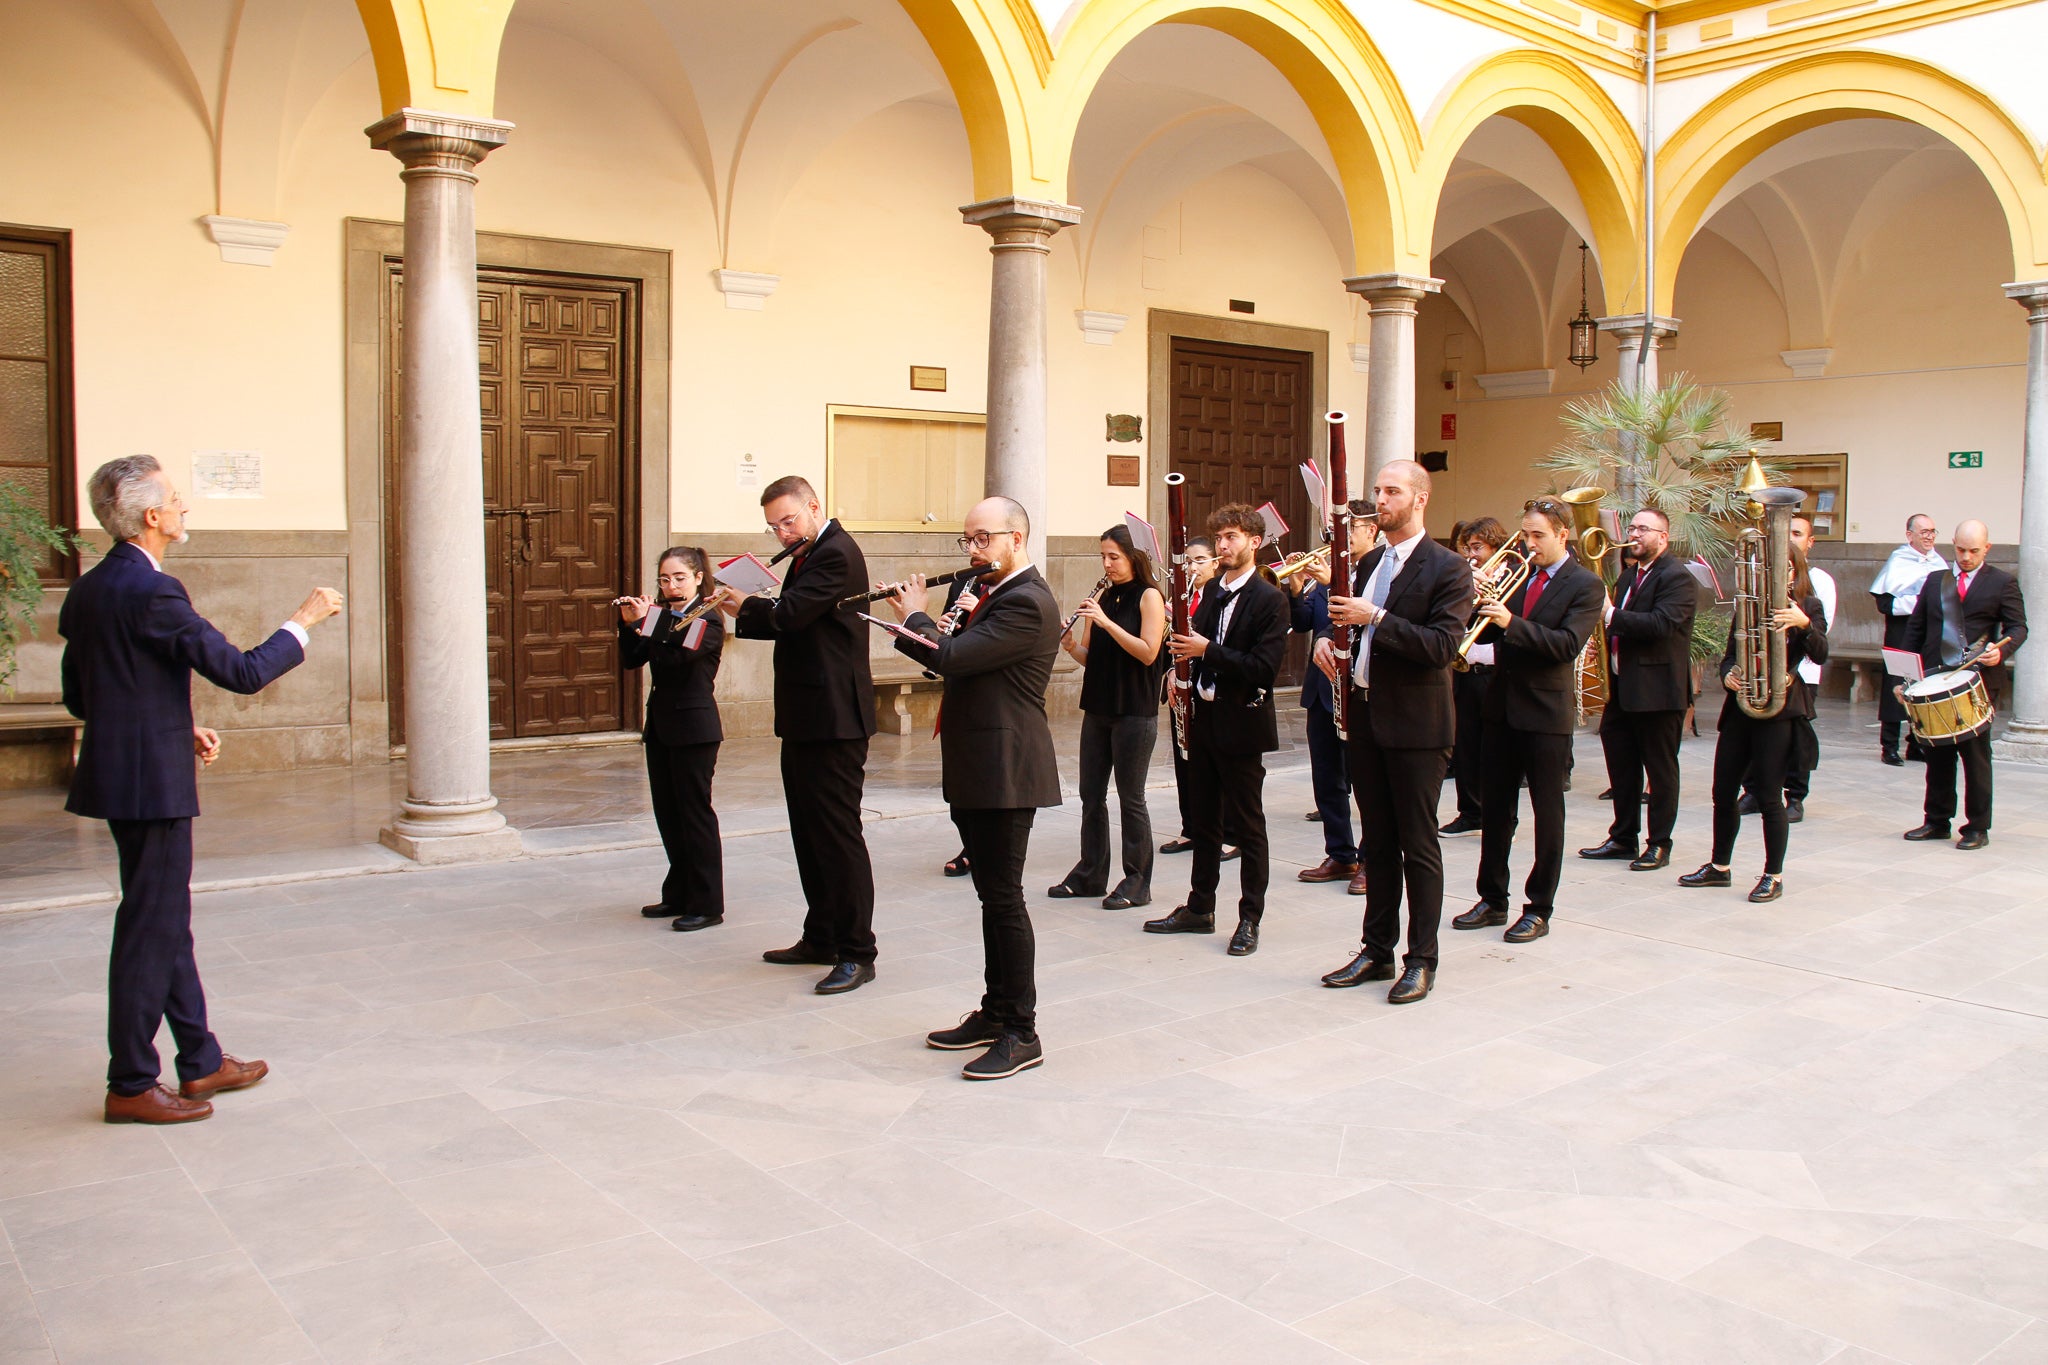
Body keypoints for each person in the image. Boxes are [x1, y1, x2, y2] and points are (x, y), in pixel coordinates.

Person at [59, 455, 342, 1124]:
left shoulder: (90, 588)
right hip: (150, 788)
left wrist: (176, 726)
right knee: (147, 929)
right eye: (177, 500)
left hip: (124, 774)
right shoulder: (155, 591)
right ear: (151, 517)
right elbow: (242, 672)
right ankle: (130, 1081)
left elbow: (84, 695)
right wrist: (304, 618)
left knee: (164, 919)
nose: (186, 508)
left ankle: (200, 1058)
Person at [884, 497, 1061, 1080]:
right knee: (991, 896)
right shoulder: (993, 595)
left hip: (1007, 767)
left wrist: (917, 616)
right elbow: (948, 661)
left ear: (1017, 538)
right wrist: (913, 626)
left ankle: (1022, 1032)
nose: (973, 550)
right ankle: (994, 1011)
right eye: (968, 540)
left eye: (983, 538)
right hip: (979, 762)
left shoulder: (1029, 602)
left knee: (1005, 897)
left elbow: (954, 656)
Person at [715, 475, 879, 994]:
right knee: (809, 832)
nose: (783, 533)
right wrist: (743, 609)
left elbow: (791, 614)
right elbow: (796, 621)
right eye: (774, 526)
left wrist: (745, 605)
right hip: (809, 714)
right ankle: (822, 935)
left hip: (835, 719)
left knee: (837, 835)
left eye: (789, 520)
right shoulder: (811, 550)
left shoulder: (836, 552)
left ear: (814, 506)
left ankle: (858, 951)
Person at [1318, 460, 1472, 1003]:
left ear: (1420, 498)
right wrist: (1333, 647)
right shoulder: (1372, 560)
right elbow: (1357, 630)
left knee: (1417, 843)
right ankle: (1376, 949)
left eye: (1392, 492)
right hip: (1367, 718)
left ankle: (1421, 958)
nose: (1379, 500)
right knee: (1376, 843)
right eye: (1377, 491)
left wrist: (1376, 618)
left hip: (1418, 727)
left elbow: (1440, 649)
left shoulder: (1448, 567)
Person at [1453, 498, 1604, 942]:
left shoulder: (1586, 585)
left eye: (1538, 535)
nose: (1529, 544)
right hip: (1501, 707)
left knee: (1547, 814)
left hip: (1545, 713)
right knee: (1496, 810)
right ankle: (1491, 898)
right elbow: (1495, 632)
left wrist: (1510, 621)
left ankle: (1539, 907)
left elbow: (1564, 645)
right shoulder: (1517, 577)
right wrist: (1479, 599)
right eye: (1525, 535)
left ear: (1563, 535)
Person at [1146, 505, 1290, 955]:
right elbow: (1190, 647)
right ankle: (1200, 906)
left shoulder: (1270, 598)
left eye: (1232, 537)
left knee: (1247, 827)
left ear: (1254, 541)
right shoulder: (1208, 592)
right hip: (1203, 720)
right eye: (1219, 538)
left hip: (1242, 723)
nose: (1224, 546)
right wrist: (1176, 670)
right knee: (1203, 821)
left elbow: (1263, 669)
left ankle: (1250, 917)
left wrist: (1209, 650)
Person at [1679, 543, 1829, 901]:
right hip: (1741, 709)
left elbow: (1821, 653)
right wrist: (1730, 674)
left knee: (1769, 797)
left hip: (1779, 711)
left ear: (1795, 571)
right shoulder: (1749, 605)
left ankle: (1773, 875)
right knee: (1722, 792)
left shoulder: (1809, 606)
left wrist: (1804, 625)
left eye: (1785, 568)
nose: (1779, 574)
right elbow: (1731, 654)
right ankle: (1719, 867)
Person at [1053, 525, 1165, 909]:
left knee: (1131, 798)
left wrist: (1106, 623)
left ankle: (1137, 881)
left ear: (1134, 556)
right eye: (1102, 556)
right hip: (1098, 707)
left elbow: (1148, 652)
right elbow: (1091, 658)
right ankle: (1091, 873)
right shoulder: (1101, 595)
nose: (1106, 564)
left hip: (1134, 710)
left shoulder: (1150, 596)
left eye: (1113, 556)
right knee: (1090, 795)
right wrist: (1070, 645)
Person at [1580, 507, 1697, 872]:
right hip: (1622, 688)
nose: (1634, 534)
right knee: (1622, 768)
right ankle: (1623, 837)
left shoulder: (1678, 578)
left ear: (1663, 537)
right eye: (1632, 527)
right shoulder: (1630, 576)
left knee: (1660, 772)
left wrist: (1611, 617)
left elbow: (1661, 624)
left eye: (1643, 529)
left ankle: (1659, 843)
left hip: (1658, 692)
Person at [1899, 520, 2028, 850]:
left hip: (1977, 679)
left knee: (1976, 756)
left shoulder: (2002, 582)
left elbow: (2018, 627)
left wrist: (2000, 653)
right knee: (1937, 755)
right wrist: (1905, 678)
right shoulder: (1934, 581)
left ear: (1987, 548)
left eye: (1974, 551)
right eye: (1960, 550)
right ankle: (1937, 821)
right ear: (1953, 544)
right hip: (1934, 677)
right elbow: (1915, 630)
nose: (1966, 557)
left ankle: (1977, 827)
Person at [620, 547, 726, 932]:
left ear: (698, 577)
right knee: (668, 814)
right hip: (661, 727)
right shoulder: (661, 618)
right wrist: (630, 623)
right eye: (665, 579)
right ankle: (678, 893)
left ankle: (708, 903)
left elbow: (677, 660)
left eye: (679, 577)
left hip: (695, 729)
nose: (671, 585)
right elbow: (633, 659)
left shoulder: (709, 619)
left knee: (695, 815)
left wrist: (650, 621)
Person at [1290, 510, 1373, 886]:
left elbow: (1356, 617)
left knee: (1367, 780)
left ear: (1371, 530)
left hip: (1360, 688)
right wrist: (1296, 588)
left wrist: (1336, 583)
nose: (1340, 537)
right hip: (1323, 687)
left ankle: (1372, 859)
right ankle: (1340, 854)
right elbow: (1305, 621)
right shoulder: (1328, 573)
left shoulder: (1375, 572)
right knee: (1327, 777)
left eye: (1348, 530)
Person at [1742, 513, 1834, 822]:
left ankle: (1795, 797)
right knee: (1756, 738)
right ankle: (1754, 790)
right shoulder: (1756, 599)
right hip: (1760, 678)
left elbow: (1821, 647)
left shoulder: (1813, 598)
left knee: (1797, 741)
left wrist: (1804, 624)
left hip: (1797, 679)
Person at [1161, 536, 1233, 860]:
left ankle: (1230, 833)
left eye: (1200, 560)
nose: (1192, 567)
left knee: (1217, 767)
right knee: (1183, 761)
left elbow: (1217, 645)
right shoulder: (1184, 597)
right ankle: (1190, 827)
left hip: (1210, 693)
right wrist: (1170, 673)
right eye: (1188, 561)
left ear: (1215, 563)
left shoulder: (1220, 597)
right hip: (1181, 693)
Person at [1442, 516, 1508, 836]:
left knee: (1495, 749)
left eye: (1478, 547)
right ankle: (1469, 812)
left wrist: (1489, 591)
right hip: (1466, 669)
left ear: (1495, 545)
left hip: (1497, 672)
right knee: (1466, 746)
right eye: (1468, 547)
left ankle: (1497, 815)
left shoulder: (1511, 576)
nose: (1472, 554)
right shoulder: (1465, 576)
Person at [1870, 514, 1948, 765]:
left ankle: (1917, 743)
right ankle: (1889, 746)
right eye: (1924, 531)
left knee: (1924, 687)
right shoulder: (1898, 560)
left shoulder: (1939, 562)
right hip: (1902, 633)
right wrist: (1917, 603)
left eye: (1932, 531)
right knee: (1896, 684)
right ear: (1909, 535)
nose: (1929, 536)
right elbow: (1885, 603)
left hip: (1929, 634)